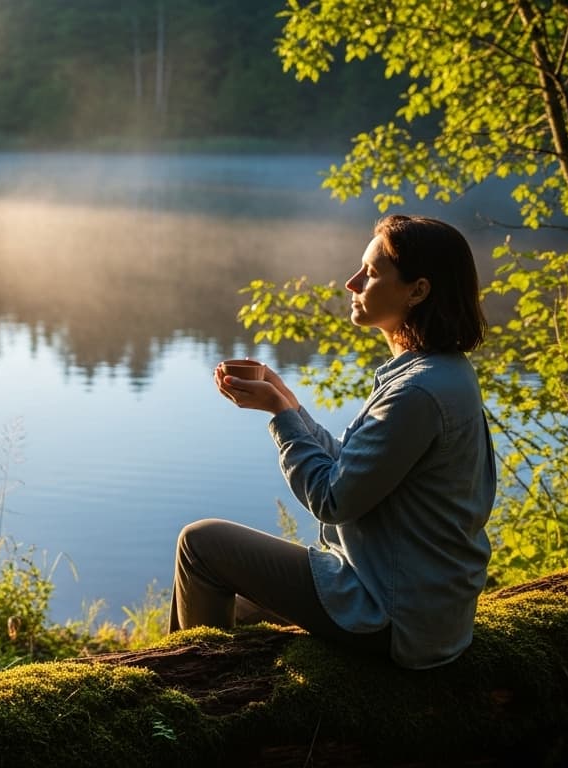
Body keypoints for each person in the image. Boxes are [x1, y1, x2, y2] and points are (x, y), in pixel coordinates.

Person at [172, 213, 495, 669]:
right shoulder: (441, 373)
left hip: (394, 616)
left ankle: (190, 701)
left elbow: (331, 498)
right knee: (235, 609)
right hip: (419, 608)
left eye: (371, 273)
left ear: (417, 291)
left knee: (200, 544)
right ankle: (180, 688)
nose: (352, 282)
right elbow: (351, 465)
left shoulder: (417, 392)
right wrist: (287, 403)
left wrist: (282, 417)